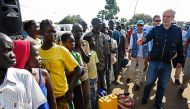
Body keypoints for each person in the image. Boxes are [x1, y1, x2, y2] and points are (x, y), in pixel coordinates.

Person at [138, 9, 184, 109]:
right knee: (149, 82)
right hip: (154, 61)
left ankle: (158, 103)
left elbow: (179, 46)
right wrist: (142, 40)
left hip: (167, 63)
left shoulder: (177, 30)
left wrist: (180, 61)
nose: (165, 18)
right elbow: (147, 37)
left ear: (173, 18)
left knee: (162, 85)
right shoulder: (156, 29)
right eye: (164, 16)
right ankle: (145, 96)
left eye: (168, 16)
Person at [39, 19, 82, 109]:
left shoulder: (61, 50)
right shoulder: (37, 52)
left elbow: (78, 69)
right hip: (46, 98)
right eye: (48, 32)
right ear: (41, 32)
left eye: (54, 31)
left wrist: (70, 91)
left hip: (62, 97)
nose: (52, 34)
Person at [0, 32, 47, 109]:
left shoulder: (25, 76)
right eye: (7, 50)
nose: (13, 55)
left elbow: (40, 106)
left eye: (12, 50)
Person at [25, 42, 57, 109]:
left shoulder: (43, 74)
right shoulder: (16, 77)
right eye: (36, 55)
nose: (40, 58)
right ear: (25, 56)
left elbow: (52, 101)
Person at [83, 18, 110, 92]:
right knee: (93, 87)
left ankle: (104, 99)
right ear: (93, 24)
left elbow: (107, 52)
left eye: (101, 24)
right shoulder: (87, 37)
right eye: (98, 23)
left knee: (103, 84)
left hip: (101, 65)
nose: (100, 25)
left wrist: (107, 65)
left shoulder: (103, 36)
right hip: (91, 67)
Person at [61, 32, 85, 109]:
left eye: (73, 41)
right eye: (70, 42)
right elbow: (62, 73)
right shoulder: (60, 56)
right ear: (63, 43)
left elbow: (82, 71)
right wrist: (76, 70)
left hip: (77, 84)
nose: (73, 44)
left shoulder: (76, 55)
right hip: (65, 86)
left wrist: (70, 72)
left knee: (79, 104)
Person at [71, 23, 92, 109]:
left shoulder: (85, 43)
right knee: (76, 99)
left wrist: (80, 47)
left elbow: (87, 59)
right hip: (72, 77)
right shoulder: (67, 43)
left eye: (81, 31)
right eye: (77, 31)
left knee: (86, 97)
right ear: (72, 31)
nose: (79, 33)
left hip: (84, 76)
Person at [127, 20, 149, 91]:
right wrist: (129, 53)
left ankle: (138, 83)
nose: (140, 26)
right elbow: (131, 43)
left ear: (143, 26)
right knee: (132, 68)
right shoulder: (134, 34)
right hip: (134, 53)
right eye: (139, 25)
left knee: (140, 70)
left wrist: (147, 55)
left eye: (141, 25)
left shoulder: (146, 34)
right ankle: (129, 77)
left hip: (142, 54)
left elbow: (148, 44)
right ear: (137, 25)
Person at [85, 35, 99, 109]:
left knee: (94, 95)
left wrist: (98, 78)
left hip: (95, 78)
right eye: (92, 40)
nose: (94, 42)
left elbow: (96, 65)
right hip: (88, 79)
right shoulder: (84, 55)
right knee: (91, 97)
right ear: (87, 43)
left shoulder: (94, 53)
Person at [178, 28, 190, 95]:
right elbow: (187, 41)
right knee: (186, 75)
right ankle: (183, 86)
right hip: (189, 56)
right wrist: (184, 54)